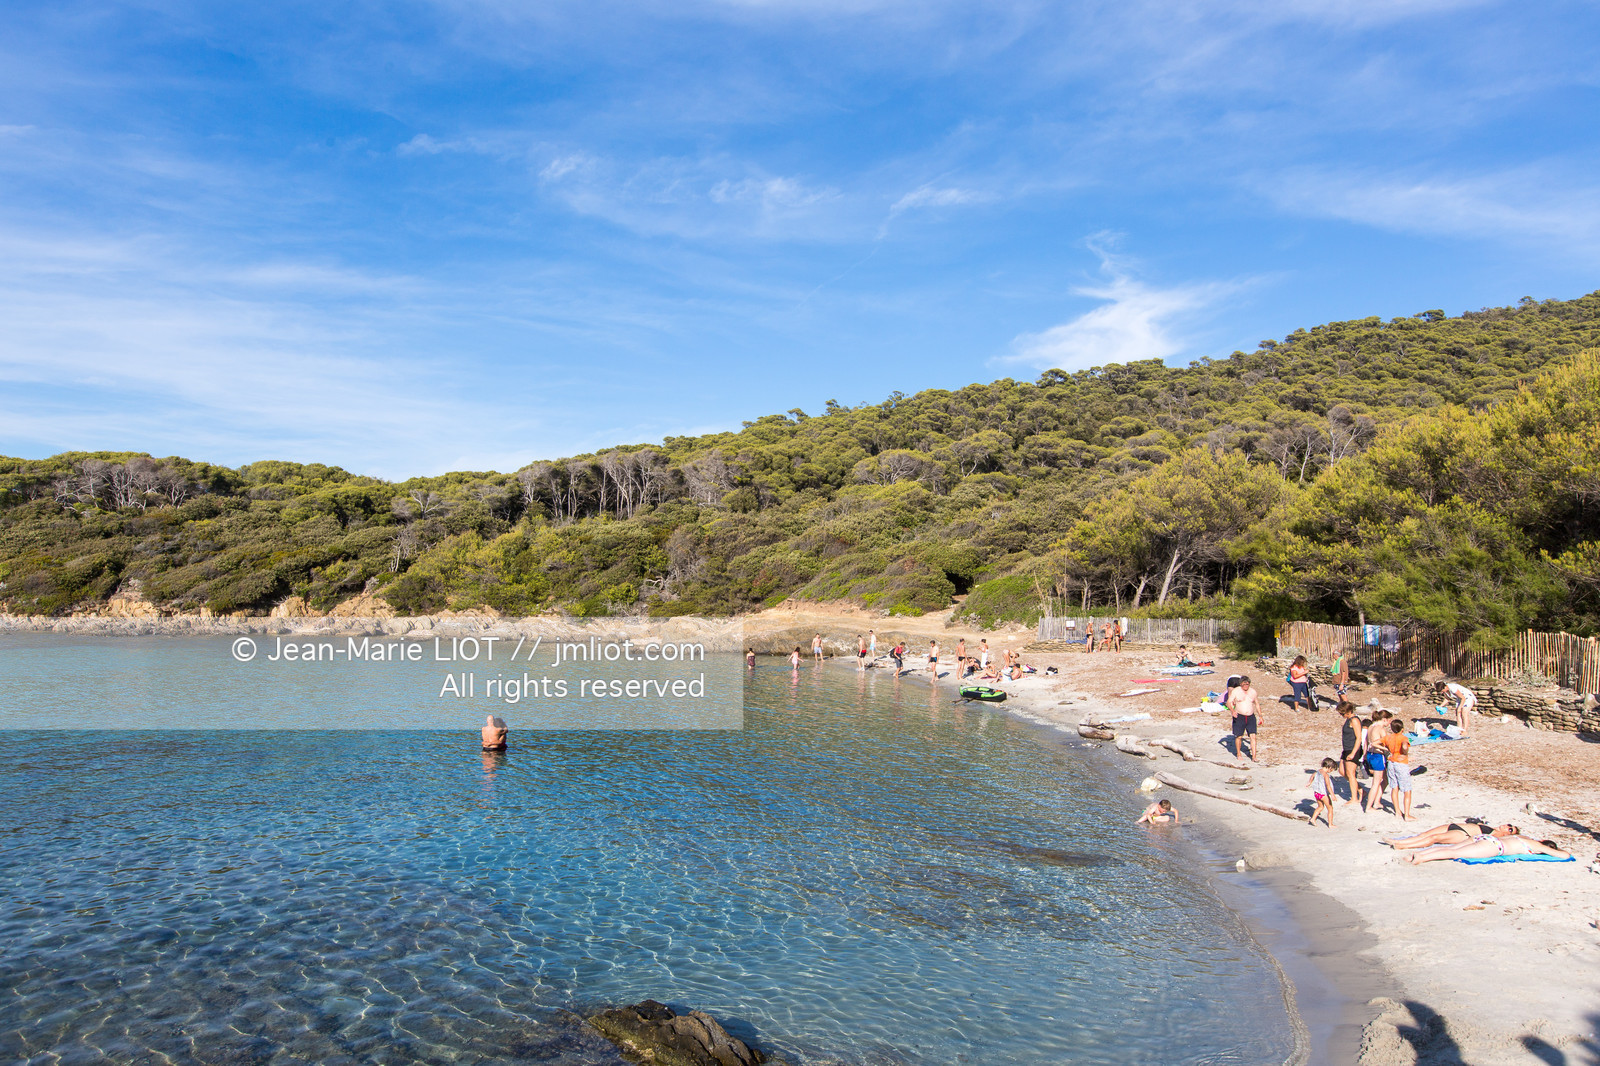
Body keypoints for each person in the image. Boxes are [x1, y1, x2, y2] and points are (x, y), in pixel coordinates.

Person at [1403, 835, 1571, 865]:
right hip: (1494, 846)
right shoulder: (1536, 847)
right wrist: (1546, 849)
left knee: (1451, 848)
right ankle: (1421, 858)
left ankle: (1420, 854)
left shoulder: (1526, 838)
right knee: (1454, 853)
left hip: (1485, 838)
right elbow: (1565, 855)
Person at [1382, 821, 1519, 850]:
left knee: (1433, 839)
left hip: (1462, 834)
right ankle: (1397, 841)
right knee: (1425, 834)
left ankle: (1402, 845)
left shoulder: (1499, 835)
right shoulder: (1492, 826)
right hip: (1454, 826)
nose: (1507, 827)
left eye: (1511, 829)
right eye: (1509, 825)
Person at [1381, 718, 1415, 821]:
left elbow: (1374, 743)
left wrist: (1386, 749)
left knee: (1394, 787)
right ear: (1402, 729)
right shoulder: (1403, 738)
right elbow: (1404, 745)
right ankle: (1407, 815)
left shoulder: (1388, 737)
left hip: (1391, 762)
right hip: (1401, 763)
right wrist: (1405, 753)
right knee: (1407, 790)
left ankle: (1397, 811)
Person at [1226, 675, 1263, 762]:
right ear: (1241, 684)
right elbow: (1228, 702)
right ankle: (1238, 754)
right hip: (1239, 716)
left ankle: (1254, 756)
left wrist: (1260, 716)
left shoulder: (1253, 692)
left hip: (1250, 716)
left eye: (1247, 684)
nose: (1246, 686)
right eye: (1244, 684)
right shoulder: (1236, 691)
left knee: (1253, 736)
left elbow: (1257, 704)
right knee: (1239, 736)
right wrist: (1232, 711)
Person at [1363, 709, 1393, 813]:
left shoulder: (1371, 726)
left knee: (1385, 779)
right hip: (1377, 756)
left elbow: (1366, 742)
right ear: (1385, 719)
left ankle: (1377, 801)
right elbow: (1387, 744)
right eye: (1389, 721)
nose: (1389, 724)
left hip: (1370, 754)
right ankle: (1369, 807)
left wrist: (1364, 756)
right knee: (1376, 782)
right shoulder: (1380, 729)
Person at [1337, 702, 1365, 806]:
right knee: (1342, 771)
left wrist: (1353, 753)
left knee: (1350, 773)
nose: (1342, 715)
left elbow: (1359, 738)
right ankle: (1361, 790)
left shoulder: (1355, 720)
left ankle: (1354, 798)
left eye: (1342, 713)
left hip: (1353, 749)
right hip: (1346, 748)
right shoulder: (1348, 720)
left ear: (1348, 711)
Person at [1311, 757, 1338, 827]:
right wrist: (1332, 795)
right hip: (1323, 794)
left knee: (1320, 807)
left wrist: (1309, 782)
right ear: (1329, 767)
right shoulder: (1326, 775)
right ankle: (1330, 824)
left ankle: (1313, 819)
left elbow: (1312, 776)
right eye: (1332, 769)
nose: (1331, 771)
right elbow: (1328, 786)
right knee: (1330, 808)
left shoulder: (1318, 771)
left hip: (1317, 793)